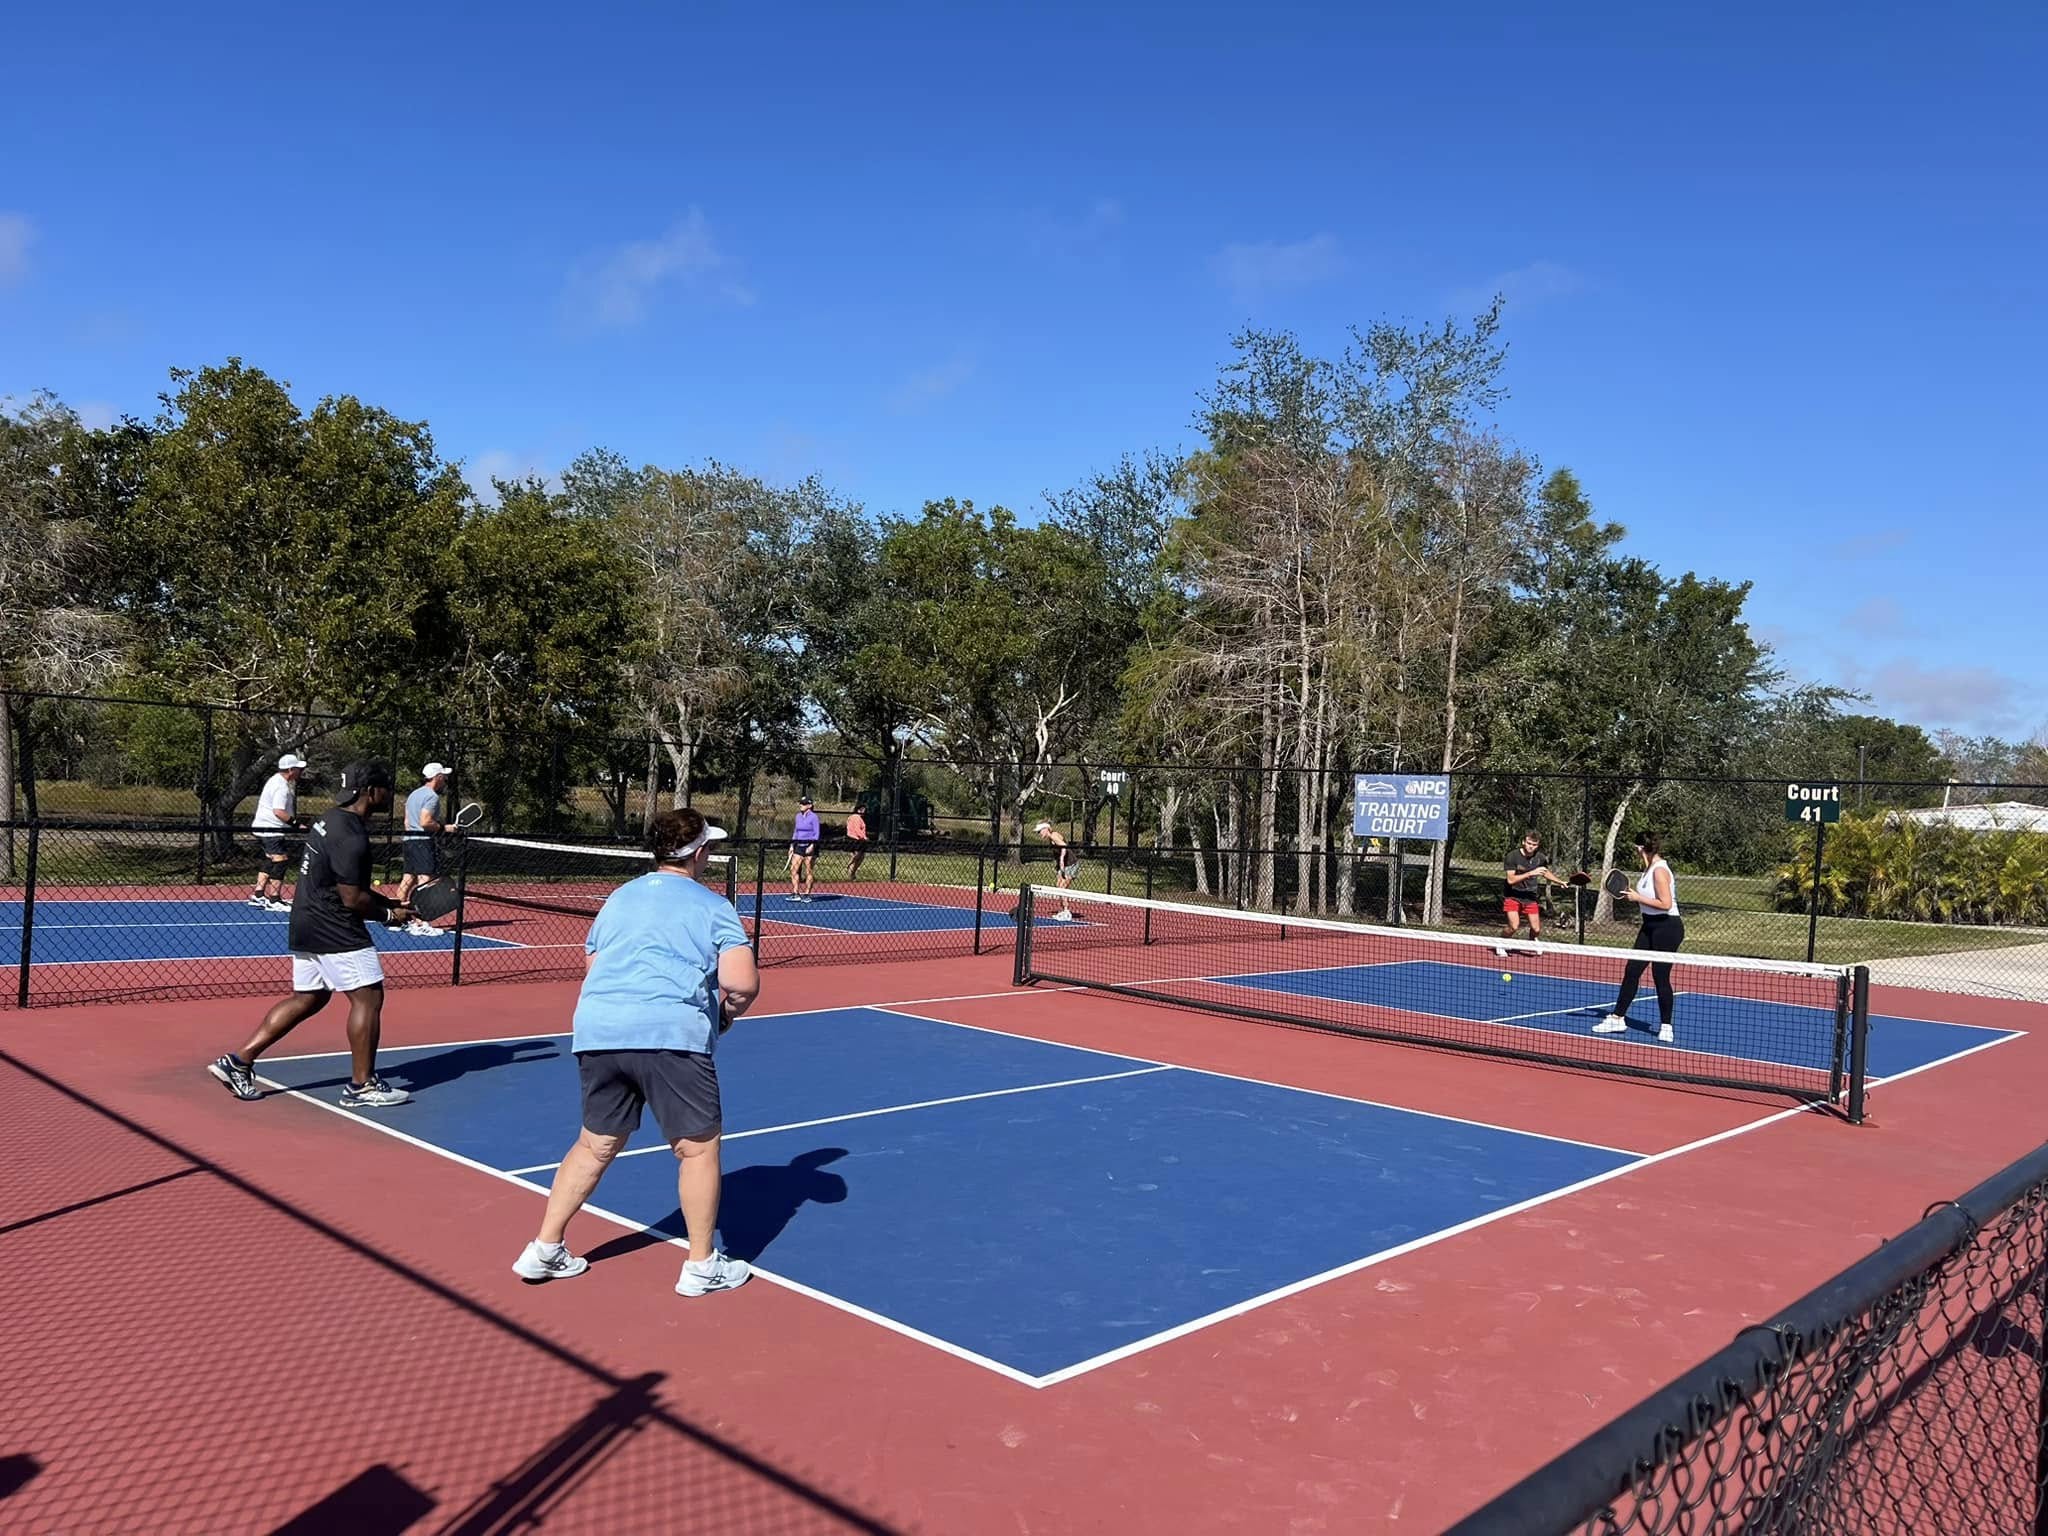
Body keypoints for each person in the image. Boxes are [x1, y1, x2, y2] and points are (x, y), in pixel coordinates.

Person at [511, 807, 759, 1297]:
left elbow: (594, 962)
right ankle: (701, 1265)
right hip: (669, 1035)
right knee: (698, 1149)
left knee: (594, 1143)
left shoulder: (619, 898)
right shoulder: (713, 906)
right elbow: (740, 982)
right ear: (699, 853)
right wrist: (726, 1012)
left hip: (599, 1031)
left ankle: (543, 1248)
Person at [209, 762, 414, 1108]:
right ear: (371, 792)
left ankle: (238, 1062)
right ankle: (361, 1087)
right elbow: (351, 898)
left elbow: (346, 886)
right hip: (335, 927)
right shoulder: (352, 835)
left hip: (307, 921)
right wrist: (388, 913)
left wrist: (389, 904)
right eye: (386, 788)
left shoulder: (328, 819)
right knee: (368, 999)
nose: (390, 794)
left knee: (310, 998)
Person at [1593, 831, 1685, 1044]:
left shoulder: (1659, 870)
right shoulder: (1648, 869)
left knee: (1660, 976)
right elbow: (1649, 899)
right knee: (1632, 970)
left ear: (1639, 848)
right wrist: (1635, 896)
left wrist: (1638, 897)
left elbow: (1666, 904)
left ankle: (1666, 1026)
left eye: (1636, 848)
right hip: (1649, 925)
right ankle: (1617, 1018)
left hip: (1667, 927)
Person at [396, 761, 452, 934]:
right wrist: (444, 828)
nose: (445, 779)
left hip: (409, 840)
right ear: (438, 777)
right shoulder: (431, 797)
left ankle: (396, 918)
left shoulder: (414, 794)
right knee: (425, 881)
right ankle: (421, 923)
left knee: (407, 880)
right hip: (422, 842)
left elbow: (407, 821)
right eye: (444, 776)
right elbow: (425, 822)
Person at [247, 753, 308, 910]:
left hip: (262, 827)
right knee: (281, 861)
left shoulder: (275, 780)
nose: (301, 772)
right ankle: (274, 899)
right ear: (290, 770)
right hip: (270, 829)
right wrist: (296, 825)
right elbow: (278, 811)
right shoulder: (281, 787)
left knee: (270, 859)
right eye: (298, 769)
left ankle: (258, 895)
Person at [1497, 831, 1570, 951]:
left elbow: (1545, 872)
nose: (1531, 846)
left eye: (1534, 845)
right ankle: (1501, 942)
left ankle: (1531, 941)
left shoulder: (1540, 858)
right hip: (1512, 896)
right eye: (1529, 843)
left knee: (1536, 929)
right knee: (1514, 926)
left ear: (1538, 845)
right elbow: (1510, 880)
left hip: (1530, 896)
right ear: (1523, 842)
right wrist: (1531, 873)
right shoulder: (1512, 856)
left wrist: (1560, 882)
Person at [1034, 820, 1079, 920]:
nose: (1039, 834)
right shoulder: (1051, 839)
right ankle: (1064, 910)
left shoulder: (1054, 836)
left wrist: (1062, 859)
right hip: (1062, 866)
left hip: (1070, 864)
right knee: (1058, 887)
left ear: (1046, 829)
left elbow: (1064, 847)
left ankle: (1067, 912)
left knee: (1062, 888)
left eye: (1040, 831)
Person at [788, 794, 821, 902]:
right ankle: (796, 892)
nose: (801, 805)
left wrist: (812, 845)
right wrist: (792, 846)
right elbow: (795, 832)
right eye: (800, 803)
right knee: (794, 869)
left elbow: (816, 833)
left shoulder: (814, 817)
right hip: (799, 846)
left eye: (803, 804)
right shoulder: (798, 816)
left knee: (808, 871)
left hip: (809, 847)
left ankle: (807, 894)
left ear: (809, 805)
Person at [843, 804, 869, 881]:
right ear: (858, 810)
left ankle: (852, 873)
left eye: (864, 809)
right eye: (862, 809)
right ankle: (850, 869)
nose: (864, 811)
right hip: (856, 839)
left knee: (859, 856)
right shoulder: (857, 818)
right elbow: (857, 829)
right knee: (858, 856)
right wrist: (864, 837)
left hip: (852, 838)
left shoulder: (851, 817)